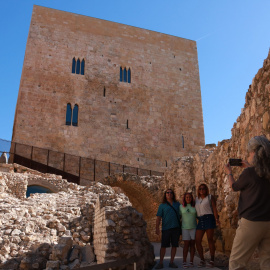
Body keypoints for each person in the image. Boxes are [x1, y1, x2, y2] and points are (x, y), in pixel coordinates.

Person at [225, 136, 270, 270]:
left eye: (250, 152)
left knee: (236, 263)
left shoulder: (249, 173)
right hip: (268, 223)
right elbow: (260, 178)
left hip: (251, 222)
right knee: (267, 262)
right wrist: (249, 167)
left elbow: (234, 187)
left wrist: (229, 173)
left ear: (254, 153)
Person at [195, 183, 220, 268]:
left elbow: (214, 208)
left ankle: (212, 260)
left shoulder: (210, 197)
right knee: (197, 240)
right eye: (200, 189)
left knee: (210, 239)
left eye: (203, 188)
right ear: (198, 190)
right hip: (200, 220)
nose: (202, 190)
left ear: (206, 189)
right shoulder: (196, 199)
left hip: (209, 218)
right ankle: (202, 260)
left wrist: (217, 219)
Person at [155, 188, 181, 269]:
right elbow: (158, 217)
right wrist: (157, 228)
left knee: (174, 245)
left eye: (170, 193)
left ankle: (171, 262)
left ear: (173, 194)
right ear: (165, 195)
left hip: (176, 228)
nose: (169, 194)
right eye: (167, 193)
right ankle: (161, 262)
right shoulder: (162, 205)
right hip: (166, 228)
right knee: (163, 246)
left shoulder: (177, 204)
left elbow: (182, 215)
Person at [179, 192, 197, 269]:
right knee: (186, 245)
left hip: (194, 228)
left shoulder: (195, 206)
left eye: (190, 197)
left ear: (192, 198)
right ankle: (184, 261)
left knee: (192, 245)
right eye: (187, 197)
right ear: (184, 198)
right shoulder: (181, 207)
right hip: (185, 228)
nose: (188, 198)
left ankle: (191, 261)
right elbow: (179, 217)